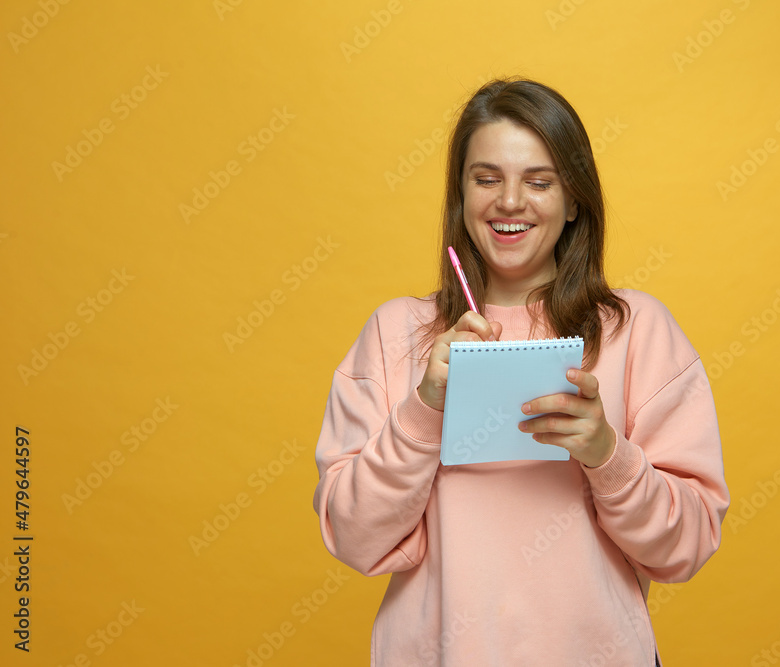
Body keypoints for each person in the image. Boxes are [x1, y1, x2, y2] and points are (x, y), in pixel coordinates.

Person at [312, 77, 729, 666]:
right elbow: (353, 537)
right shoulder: (392, 333)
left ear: (575, 199)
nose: (510, 201)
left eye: (539, 181)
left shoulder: (639, 331)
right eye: (487, 179)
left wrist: (608, 455)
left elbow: (687, 545)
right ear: (461, 195)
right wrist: (424, 410)